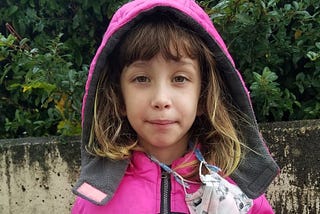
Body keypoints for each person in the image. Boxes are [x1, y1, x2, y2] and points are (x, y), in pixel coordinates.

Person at [71, 0, 279, 213]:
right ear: (118, 96)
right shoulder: (95, 200)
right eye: (142, 79)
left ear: (203, 95)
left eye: (180, 78)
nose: (161, 99)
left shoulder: (238, 193)